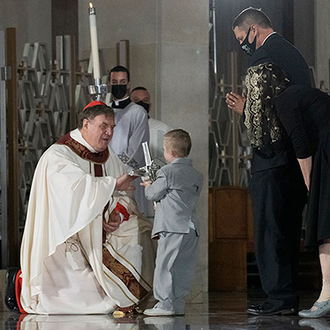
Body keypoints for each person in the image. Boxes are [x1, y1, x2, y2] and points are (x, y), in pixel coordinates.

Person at [17, 101, 154, 314]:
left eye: (112, 128)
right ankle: (17, 280)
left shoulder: (110, 156)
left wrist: (117, 212)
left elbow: (124, 195)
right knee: (79, 296)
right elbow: (74, 190)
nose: (109, 132)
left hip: (103, 234)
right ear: (86, 124)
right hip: (69, 236)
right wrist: (113, 184)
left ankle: (129, 296)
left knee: (141, 230)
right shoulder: (59, 155)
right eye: (103, 126)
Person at [225, 7, 310, 316]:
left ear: (253, 31)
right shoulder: (293, 54)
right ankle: (287, 296)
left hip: (271, 159)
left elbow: (263, 122)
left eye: (240, 38)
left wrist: (246, 113)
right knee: (287, 230)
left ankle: (279, 298)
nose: (241, 45)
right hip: (297, 157)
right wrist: (248, 108)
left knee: (269, 230)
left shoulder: (263, 60)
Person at [273, 80, 330, 318]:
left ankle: (327, 295)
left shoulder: (282, 101)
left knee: (325, 223)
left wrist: (309, 182)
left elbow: (300, 144)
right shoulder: (306, 95)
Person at [141, 129, 203, 316]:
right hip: (191, 227)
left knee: (165, 264)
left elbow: (152, 194)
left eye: (164, 150)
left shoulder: (167, 172)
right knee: (183, 266)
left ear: (171, 153)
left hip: (172, 226)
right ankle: (178, 304)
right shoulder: (196, 174)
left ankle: (165, 304)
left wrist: (148, 185)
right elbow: (179, 197)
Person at [108, 66, 150, 216]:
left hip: (127, 176)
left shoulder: (138, 112)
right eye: (114, 81)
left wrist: (117, 171)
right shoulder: (105, 110)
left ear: (128, 84)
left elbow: (137, 150)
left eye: (122, 81)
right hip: (105, 178)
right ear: (109, 83)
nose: (118, 85)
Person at [130, 86, 172, 166]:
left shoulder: (164, 130)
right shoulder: (120, 128)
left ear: (150, 105)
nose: (141, 103)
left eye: (145, 100)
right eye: (136, 100)